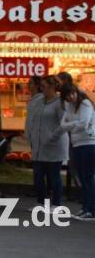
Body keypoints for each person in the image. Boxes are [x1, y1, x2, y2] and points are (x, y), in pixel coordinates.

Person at [25, 75, 69, 207]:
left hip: (54, 145)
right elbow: (32, 118)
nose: (41, 89)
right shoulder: (39, 101)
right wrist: (30, 134)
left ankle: (56, 204)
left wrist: (53, 137)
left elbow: (64, 124)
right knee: (38, 176)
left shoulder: (60, 103)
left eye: (44, 86)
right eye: (41, 86)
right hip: (39, 144)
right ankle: (41, 202)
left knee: (54, 175)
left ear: (53, 87)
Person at [60, 84, 95, 221]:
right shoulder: (70, 106)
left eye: (72, 93)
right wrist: (75, 124)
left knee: (87, 176)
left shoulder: (85, 104)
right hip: (77, 143)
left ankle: (91, 209)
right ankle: (86, 207)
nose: (71, 97)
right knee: (82, 177)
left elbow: (84, 124)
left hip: (89, 142)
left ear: (76, 92)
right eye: (68, 95)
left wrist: (71, 125)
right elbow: (63, 124)